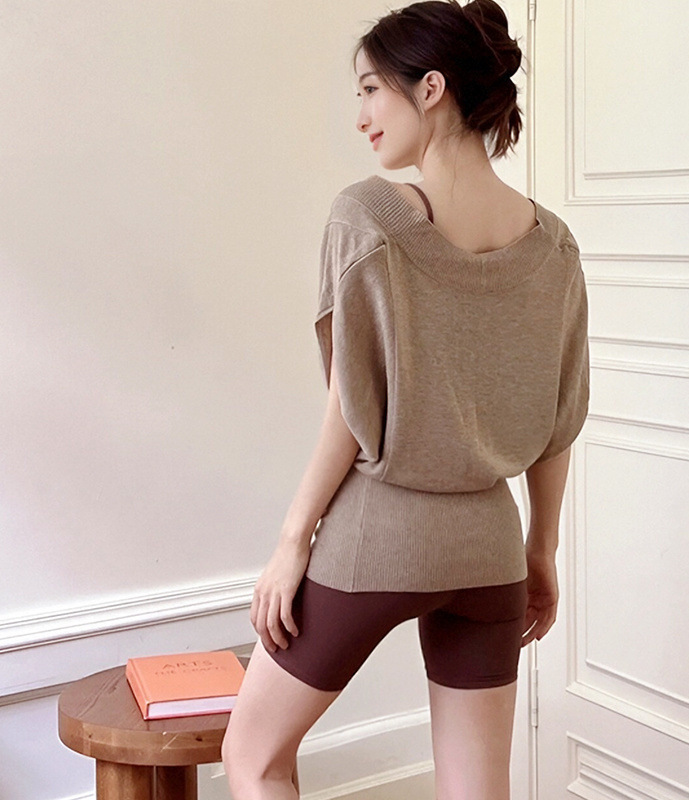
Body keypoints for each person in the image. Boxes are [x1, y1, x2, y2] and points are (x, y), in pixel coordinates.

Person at [221, 0, 589, 797]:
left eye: (369, 90)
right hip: (491, 547)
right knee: (477, 788)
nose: (360, 116)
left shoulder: (370, 217)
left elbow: (350, 409)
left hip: (378, 539)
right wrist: (541, 551)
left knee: (252, 757)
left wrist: (292, 542)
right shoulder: (556, 246)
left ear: (430, 88)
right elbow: (560, 423)